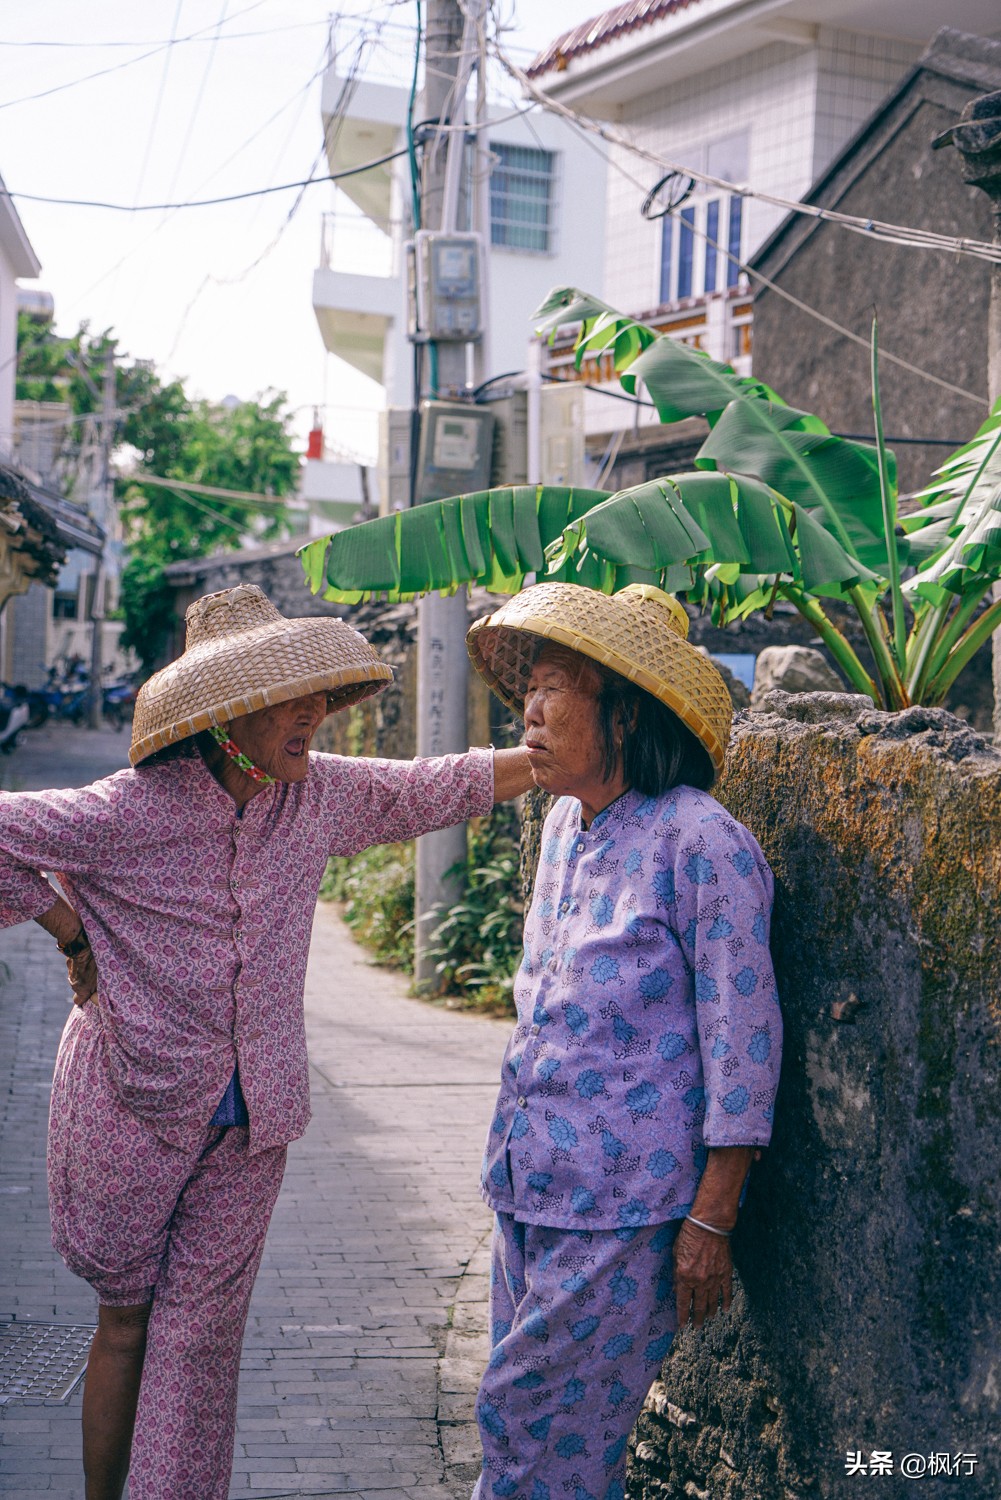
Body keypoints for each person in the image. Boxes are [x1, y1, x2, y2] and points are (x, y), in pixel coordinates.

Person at [0, 583, 533, 1500]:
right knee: (126, 1322)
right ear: (227, 715)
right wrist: (67, 928)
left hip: (256, 1121)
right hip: (128, 1103)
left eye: (317, 694)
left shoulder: (316, 798)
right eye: (289, 698)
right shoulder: (128, 810)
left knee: (199, 1340)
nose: (313, 713)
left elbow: (423, 788)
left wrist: (543, 757)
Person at [464, 582, 782, 1500]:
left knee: (529, 1424)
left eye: (556, 684)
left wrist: (712, 1215)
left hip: (622, 1207)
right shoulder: (565, 821)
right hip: (527, 1185)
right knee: (529, 1430)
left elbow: (744, 1038)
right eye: (531, 683)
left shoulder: (700, 842)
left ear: (625, 713)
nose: (528, 705)